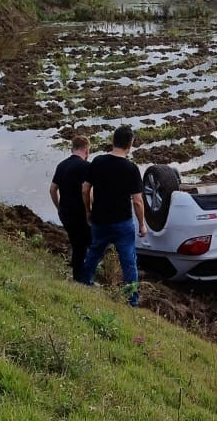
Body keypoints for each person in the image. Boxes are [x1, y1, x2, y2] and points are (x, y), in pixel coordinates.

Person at [80, 125, 147, 306]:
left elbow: (85, 189)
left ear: (113, 141)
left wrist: (88, 210)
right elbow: (137, 201)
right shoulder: (131, 169)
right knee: (128, 261)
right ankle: (131, 300)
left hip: (100, 219)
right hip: (122, 222)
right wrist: (142, 224)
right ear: (130, 144)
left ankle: (83, 283)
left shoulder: (98, 161)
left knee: (94, 253)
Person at [49, 134, 91, 282]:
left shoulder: (61, 165)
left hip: (65, 212)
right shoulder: (87, 167)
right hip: (80, 213)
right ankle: (81, 278)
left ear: (73, 149)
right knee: (90, 244)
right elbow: (87, 191)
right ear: (86, 150)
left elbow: (53, 189)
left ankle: (78, 270)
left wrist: (58, 207)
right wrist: (89, 211)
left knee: (77, 243)